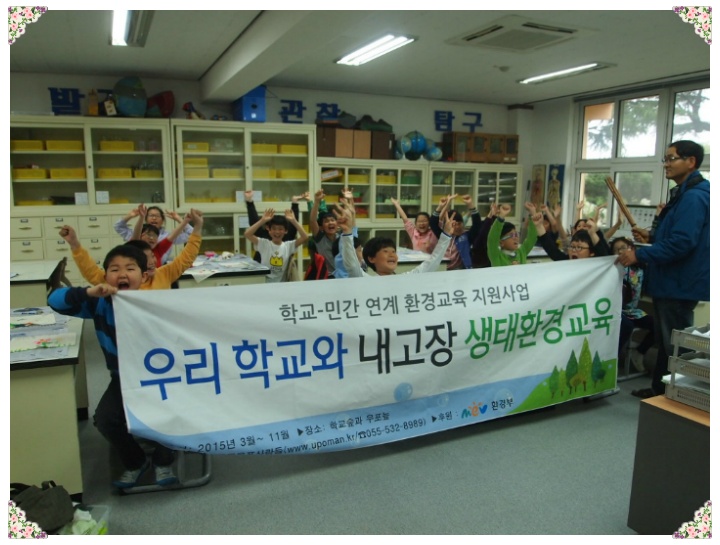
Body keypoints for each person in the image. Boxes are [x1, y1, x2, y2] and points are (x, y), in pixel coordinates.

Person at [47, 244, 178, 489]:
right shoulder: (100, 304)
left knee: (173, 412)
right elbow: (54, 301)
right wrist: (89, 292)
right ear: (105, 276)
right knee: (106, 420)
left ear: (144, 275)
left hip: (162, 377)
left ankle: (164, 460)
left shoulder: (156, 303)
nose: (122, 274)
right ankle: (136, 461)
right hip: (123, 378)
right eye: (114, 269)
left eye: (130, 268)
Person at [616, 140, 709, 399]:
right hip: (673, 281)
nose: (666, 164)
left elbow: (682, 243)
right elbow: (677, 236)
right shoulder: (685, 193)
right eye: (665, 159)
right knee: (667, 339)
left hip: (678, 283)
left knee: (674, 344)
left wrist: (638, 254)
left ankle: (676, 395)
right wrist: (651, 236)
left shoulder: (694, 197)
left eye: (671, 158)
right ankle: (660, 389)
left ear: (691, 162)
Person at [61, 208, 204, 290]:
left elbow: (186, 258)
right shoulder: (115, 280)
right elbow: (90, 270)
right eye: (145, 259)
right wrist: (75, 244)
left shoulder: (163, 274)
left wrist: (197, 226)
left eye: (152, 256)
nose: (152, 262)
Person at [336, 204, 454, 277]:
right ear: (371, 259)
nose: (392, 255)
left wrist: (446, 235)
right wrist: (347, 232)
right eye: (385, 251)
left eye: (393, 251)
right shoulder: (367, 280)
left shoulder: (406, 278)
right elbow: (351, 265)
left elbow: (433, 262)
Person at [610, 236, 655, 370]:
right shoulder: (612, 269)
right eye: (616, 250)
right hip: (617, 310)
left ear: (631, 249)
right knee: (626, 326)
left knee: (658, 326)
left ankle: (639, 352)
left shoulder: (641, 268)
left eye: (623, 248)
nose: (620, 252)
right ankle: (612, 360)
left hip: (633, 311)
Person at [244, 208, 308, 283]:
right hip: (264, 284)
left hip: (281, 285)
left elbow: (305, 237)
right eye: (274, 229)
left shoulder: (288, 246)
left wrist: (293, 221)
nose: (277, 232)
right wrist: (262, 220)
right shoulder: (264, 244)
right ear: (269, 230)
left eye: (280, 229)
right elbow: (247, 234)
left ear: (285, 231)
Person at [114, 205, 193, 264]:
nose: (154, 218)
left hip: (159, 269)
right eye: (151, 215)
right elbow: (118, 226)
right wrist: (130, 215)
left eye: (157, 216)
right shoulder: (136, 234)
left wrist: (179, 219)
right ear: (145, 219)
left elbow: (192, 234)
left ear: (162, 220)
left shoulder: (166, 237)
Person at [429, 194, 482, 271]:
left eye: (459, 223)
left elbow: (477, 224)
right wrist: (440, 207)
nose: (457, 227)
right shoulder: (443, 236)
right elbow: (433, 223)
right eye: (454, 224)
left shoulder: (466, 237)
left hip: (460, 271)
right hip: (442, 269)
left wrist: (470, 205)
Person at [309, 189, 340, 278]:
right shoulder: (320, 239)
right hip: (329, 276)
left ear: (337, 224)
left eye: (332, 220)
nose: (330, 223)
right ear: (321, 227)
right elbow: (313, 220)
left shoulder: (342, 238)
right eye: (326, 221)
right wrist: (316, 201)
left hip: (344, 276)